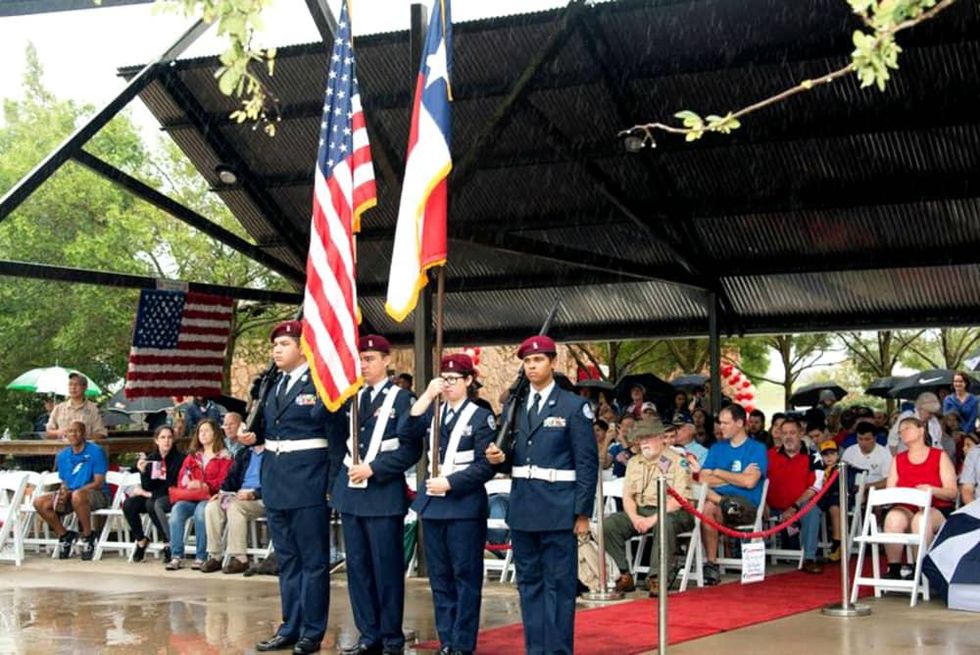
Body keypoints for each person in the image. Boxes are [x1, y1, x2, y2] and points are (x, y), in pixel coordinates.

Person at [485, 335, 597, 655]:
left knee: (559, 587)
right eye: (527, 361)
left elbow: (586, 463)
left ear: (553, 362)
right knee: (529, 585)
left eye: (538, 360)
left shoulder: (573, 406)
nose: (532, 366)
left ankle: (558, 651)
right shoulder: (516, 406)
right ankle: (535, 649)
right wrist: (498, 458)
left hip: (559, 508)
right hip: (524, 508)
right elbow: (514, 457)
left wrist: (582, 513)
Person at [241, 320, 339, 655]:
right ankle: (290, 626)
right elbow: (270, 429)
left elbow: (334, 437)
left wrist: (331, 484)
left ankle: (312, 631)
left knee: (313, 562)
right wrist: (253, 435)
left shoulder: (320, 383)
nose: (277, 350)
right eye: (275, 345)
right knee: (287, 561)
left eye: (284, 344)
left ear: (303, 348)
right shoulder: (273, 384)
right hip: (277, 480)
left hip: (309, 480)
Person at [333, 335, 420, 655]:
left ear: (386, 360)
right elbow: (336, 440)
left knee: (386, 569)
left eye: (370, 359)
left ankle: (391, 637)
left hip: (382, 493)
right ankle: (368, 634)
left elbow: (411, 449)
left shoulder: (401, 399)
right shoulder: (352, 398)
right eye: (360, 359)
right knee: (358, 569)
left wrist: (375, 468)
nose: (364, 365)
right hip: (352, 494)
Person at [408, 353, 496, 655]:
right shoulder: (434, 412)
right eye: (443, 379)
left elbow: (486, 465)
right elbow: (407, 431)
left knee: (465, 576)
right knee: (440, 578)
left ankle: (462, 643)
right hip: (434, 505)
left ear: (468, 381)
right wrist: (426, 396)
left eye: (453, 379)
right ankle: (446, 640)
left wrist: (451, 482)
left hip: (463, 505)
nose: (447, 385)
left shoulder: (480, 416)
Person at [604, 418, 694, 596]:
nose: (643, 442)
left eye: (648, 437)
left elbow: (679, 500)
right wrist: (635, 518)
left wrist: (652, 519)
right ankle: (622, 575)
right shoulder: (634, 462)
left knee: (664, 524)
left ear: (661, 438)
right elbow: (628, 497)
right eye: (640, 438)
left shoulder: (678, 461)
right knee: (609, 525)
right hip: (642, 510)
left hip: (674, 512)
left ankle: (657, 578)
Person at [686, 404, 767, 586]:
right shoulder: (717, 448)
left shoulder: (757, 448)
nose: (720, 427)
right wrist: (737, 477)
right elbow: (703, 478)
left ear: (739, 423)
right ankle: (711, 564)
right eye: (720, 422)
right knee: (707, 506)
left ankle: (711, 563)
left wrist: (719, 472)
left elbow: (749, 482)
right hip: (717, 504)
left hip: (745, 505)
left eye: (725, 423)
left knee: (707, 502)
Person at [882, 416, 958, 579]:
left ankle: (920, 569)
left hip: (936, 508)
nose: (903, 433)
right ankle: (894, 569)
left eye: (907, 428)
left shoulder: (939, 456)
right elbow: (890, 491)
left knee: (921, 519)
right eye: (900, 431)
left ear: (921, 430)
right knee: (893, 518)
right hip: (907, 507)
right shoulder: (898, 459)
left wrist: (932, 490)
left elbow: (952, 492)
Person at [33, 421, 110, 560]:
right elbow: (65, 482)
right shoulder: (62, 455)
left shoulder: (96, 451)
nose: (73, 434)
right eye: (70, 431)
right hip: (72, 494)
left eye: (77, 431)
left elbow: (98, 482)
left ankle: (88, 536)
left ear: (84, 433)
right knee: (40, 502)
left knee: (77, 495)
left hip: (97, 494)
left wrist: (73, 492)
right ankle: (65, 535)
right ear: (66, 435)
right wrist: (62, 493)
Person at [165, 418, 232, 571]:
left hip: (212, 496)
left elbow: (225, 480)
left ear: (215, 433)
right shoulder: (193, 456)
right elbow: (182, 477)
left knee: (201, 511)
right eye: (200, 431)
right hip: (191, 496)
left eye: (207, 430)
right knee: (177, 510)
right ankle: (176, 555)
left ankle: (201, 556)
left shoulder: (224, 456)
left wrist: (205, 485)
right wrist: (188, 483)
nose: (203, 434)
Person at [764, 417, 824, 574]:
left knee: (811, 509)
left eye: (792, 433)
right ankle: (749, 561)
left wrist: (794, 506)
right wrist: (763, 503)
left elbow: (815, 488)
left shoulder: (813, 456)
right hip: (772, 507)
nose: (788, 437)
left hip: (799, 507)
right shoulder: (769, 455)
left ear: (801, 434)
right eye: (784, 433)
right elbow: (759, 481)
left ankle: (809, 559)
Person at [201, 437, 266, 574]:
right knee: (212, 507)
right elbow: (231, 478)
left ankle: (240, 558)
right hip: (240, 495)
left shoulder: (272, 453)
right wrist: (222, 493)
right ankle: (215, 555)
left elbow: (276, 483)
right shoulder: (244, 453)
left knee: (235, 506)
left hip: (262, 498)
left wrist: (254, 494)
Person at [125, 425, 185, 562]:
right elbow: (148, 486)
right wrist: (143, 472)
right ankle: (141, 540)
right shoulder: (152, 458)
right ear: (156, 440)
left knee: (151, 503)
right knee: (129, 504)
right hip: (153, 495)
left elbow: (172, 485)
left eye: (169, 437)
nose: (166, 441)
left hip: (171, 496)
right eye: (163, 437)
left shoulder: (180, 459)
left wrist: (147, 494)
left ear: (173, 440)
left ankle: (168, 541)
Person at [45, 373, 106, 441]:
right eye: (70, 384)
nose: (73, 387)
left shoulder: (93, 409)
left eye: (76, 384)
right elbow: (48, 433)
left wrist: (82, 438)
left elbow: (101, 433)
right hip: (63, 447)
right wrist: (60, 432)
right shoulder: (59, 408)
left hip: (85, 447)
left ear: (85, 387)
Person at [841, 422, 892, 490]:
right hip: (851, 490)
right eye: (860, 439)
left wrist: (864, 487)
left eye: (867, 439)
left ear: (875, 438)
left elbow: (888, 481)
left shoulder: (885, 454)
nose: (863, 443)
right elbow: (842, 475)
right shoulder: (849, 452)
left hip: (875, 491)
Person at [959, 431, 980, 504]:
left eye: (968, 445)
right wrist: (973, 508)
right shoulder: (974, 454)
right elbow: (967, 489)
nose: (964, 448)